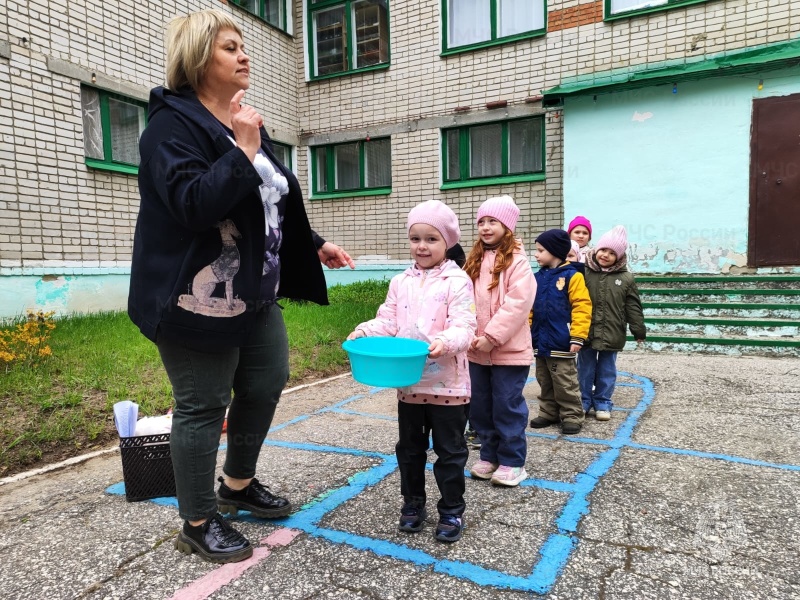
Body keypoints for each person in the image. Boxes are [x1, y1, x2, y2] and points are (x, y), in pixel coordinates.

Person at [128, 9, 352, 564]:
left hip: (253, 292)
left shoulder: (241, 121)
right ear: (200, 57)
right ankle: (198, 521)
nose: (245, 55)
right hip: (192, 298)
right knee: (203, 404)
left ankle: (237, 484)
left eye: (243, 45)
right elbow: (192, 204)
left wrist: (312, 241)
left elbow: (269, 199)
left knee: (267, 380)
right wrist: (243, 152)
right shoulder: (169, 128)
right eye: (231, 47)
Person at [347, 200, 476, 543]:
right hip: (410, 384)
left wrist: (445, 341)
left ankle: (451, 509)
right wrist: (363, 331)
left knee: (450, 452)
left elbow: (466, 326)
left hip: (449, 386)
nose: (421, 246)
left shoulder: (458, 281)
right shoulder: (400, 281)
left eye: (431, 239)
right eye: (415, 238)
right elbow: (388, 320)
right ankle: (413, 504)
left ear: (447, 242)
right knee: (410, 449)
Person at [464, 196, 536, 487]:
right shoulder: (474, 261)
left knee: (507, 405)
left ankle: (513, 461)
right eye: (481, 221)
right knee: (480, 406)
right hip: (476, 351)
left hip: (508, 351)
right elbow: (463, 299)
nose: (485, 227)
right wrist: (467, 334)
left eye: (492, 221)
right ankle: (489, 455)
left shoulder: (519, 263)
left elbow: (518, 304)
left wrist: (492, 337)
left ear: (507, 226)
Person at [579, 226, 646, 421]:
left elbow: (633, 306)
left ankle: (602, 402)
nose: (606, 255)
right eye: (603, 250)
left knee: (607, 370)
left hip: (612, 331)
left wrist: (638, 330)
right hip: (587, 330)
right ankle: (583, 401)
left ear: (619, 256)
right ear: (596, 249)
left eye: (612, 253)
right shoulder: (583, 271)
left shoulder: (626, 278)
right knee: (585, 369)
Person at [529, 229, 592, 435]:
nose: (536, 255)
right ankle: (548, 412)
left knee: (565, 381)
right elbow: (530, 308)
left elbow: (581, 307)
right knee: (544, 379)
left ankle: (572, 415)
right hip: (540, 340)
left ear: (555, 252)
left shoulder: (572, 276)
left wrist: (577, 336)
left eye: (540, 250)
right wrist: (528, 333)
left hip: (562, 340)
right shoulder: (537, 278)